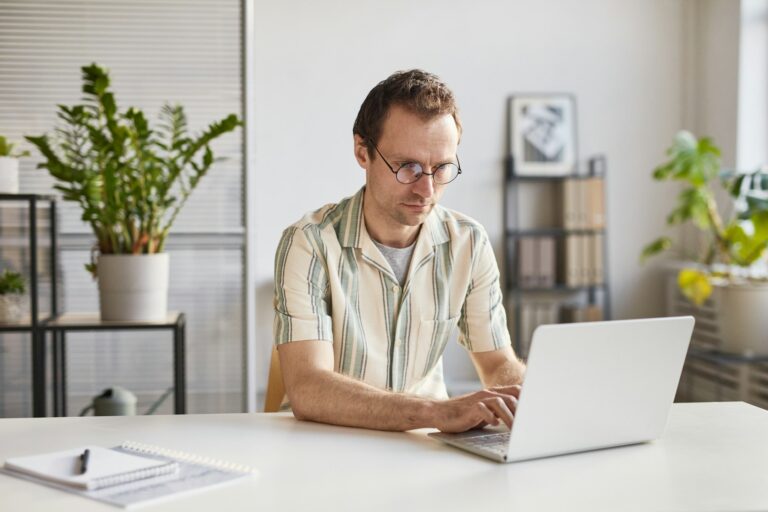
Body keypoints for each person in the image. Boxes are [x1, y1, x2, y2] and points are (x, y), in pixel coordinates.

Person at [273, 69, 525, 433]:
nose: (426, 190)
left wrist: (523, 397)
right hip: (327, 442)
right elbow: (308, 388)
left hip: (426, 444)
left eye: (441, 169)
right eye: (407, 167)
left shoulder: (469, 242)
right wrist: (436, 413)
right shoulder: (309, 243)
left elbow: (497, 362)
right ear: (363, 151)